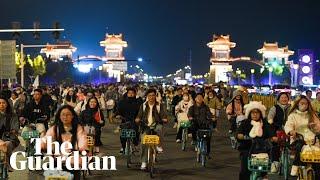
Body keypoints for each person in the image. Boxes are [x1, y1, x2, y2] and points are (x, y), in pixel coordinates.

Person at [41, 105, 87, 180]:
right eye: (63, 114)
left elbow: (82, 139)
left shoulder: (78, 128)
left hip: (73, 159)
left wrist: (82, 148)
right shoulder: (54, 128)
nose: (65, 117)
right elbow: (47, 138)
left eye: (68, 114)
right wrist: (41, 145)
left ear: (72, 116)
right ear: (59, 116)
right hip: (57, 158)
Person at [236, 101, 277, 180]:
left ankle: (264, 175)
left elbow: (270, 132)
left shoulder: (265, 123)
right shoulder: (245, 123)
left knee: (264, 166)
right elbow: (239, 133)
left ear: (260, 114)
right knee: (244, 170)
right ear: (249, 114)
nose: (255, 114)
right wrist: (240, 136)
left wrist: (273, 137)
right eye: (253, 113)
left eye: (257, 112)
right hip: (247, 149)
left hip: (262, 149)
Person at [284, 95, 320, 177]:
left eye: (306, 104)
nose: (304, 105)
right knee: (300, 146)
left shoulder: (312, 115)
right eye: (302, 103)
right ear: (297, 104)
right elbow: (288, 125)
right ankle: (296, 165)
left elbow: (318, 127)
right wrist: (291, 131)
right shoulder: (292, 116)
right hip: (298, 138)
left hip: (312, 140)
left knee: (317, 155)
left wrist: (315, 127)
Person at [135, 89, 168, 170]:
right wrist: (138, 119)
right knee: (143, 143)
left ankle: (158, 145)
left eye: (153, 95)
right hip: (145, 125)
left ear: (155, 96)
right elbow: (139, 115)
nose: (151, 97)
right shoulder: (143, 105)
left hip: (156, 124)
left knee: (159, 129)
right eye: (149, 95)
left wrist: (164, 119)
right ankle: (144, 161)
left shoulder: (159, 105)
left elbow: (163, 114)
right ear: (147, 97)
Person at [267, 92, 291, 173]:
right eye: (282, 97)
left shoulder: (291, 107)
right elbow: (270, 118)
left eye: (286, 97)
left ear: (288, 99)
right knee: (275, 145)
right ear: (278, 99)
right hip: (277, 128)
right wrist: (271, 122)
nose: (284, 99)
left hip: (289, 129)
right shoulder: (275, 107)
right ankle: (275, 163)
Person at [117, 87, 141, 153]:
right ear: (127, 94)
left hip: (135, 120)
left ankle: (136, 145)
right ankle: (123, 147)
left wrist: (138, 118)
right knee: (123, 135)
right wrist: (118, 115)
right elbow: (118, 110)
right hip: (125, 120)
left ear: (135, 94)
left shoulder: (138, 102)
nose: (131, 94)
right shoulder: (122, 102)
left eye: (132, 93)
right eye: (129, 93)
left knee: (136, 133)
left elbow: (141, 111)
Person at [0, 96, 20, 171]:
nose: (1, 105)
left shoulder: (13, 115)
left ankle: (8, 163)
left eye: (3, 103)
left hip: (9, 138)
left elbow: (15, 127)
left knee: (7, 144)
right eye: (0, 103)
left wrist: (14, 130)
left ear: (7, 104)